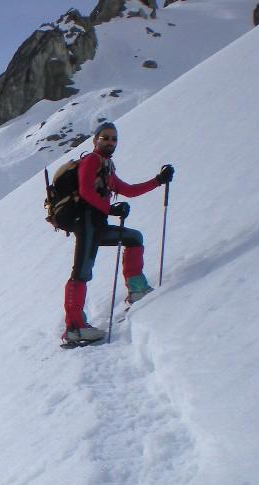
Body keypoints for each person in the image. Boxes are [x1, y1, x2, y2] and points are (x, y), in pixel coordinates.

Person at [63, 122, 174, 343]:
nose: (110, 142)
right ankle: (74, 327)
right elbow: (85, 191)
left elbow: (129, 191)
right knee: (81, 273)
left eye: (114, 139)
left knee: (134, 238)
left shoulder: (106, 167)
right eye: (105, 137)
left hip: (97, 226)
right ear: (95, 140)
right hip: (86, 224)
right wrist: (110, 208)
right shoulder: (92, 160)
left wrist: (158, 181)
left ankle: (137, 289)